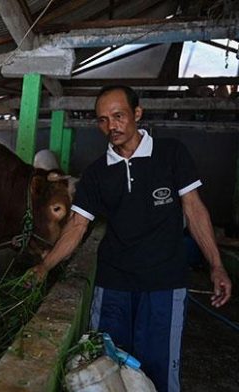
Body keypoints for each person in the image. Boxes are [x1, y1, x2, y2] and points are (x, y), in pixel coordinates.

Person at [29, 85, 232, 392]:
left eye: (118, 115)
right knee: (104, 371)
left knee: (160, 372)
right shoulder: (97, 173)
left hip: (164, 283)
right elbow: (76, 226)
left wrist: (216, 265)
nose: (111, 126)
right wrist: (44, 267)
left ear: (137, 114)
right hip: (113, 286)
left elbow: (195, 209)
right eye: (102, 120)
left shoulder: (171, 154)